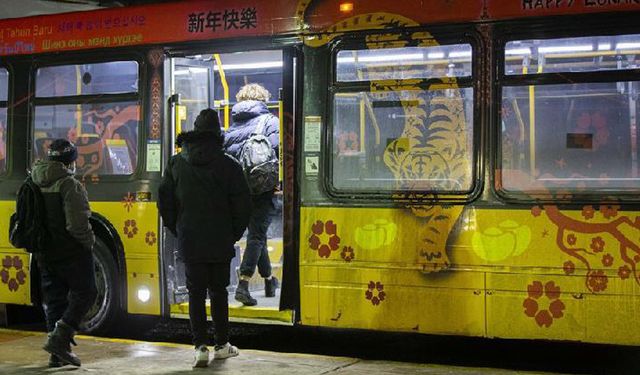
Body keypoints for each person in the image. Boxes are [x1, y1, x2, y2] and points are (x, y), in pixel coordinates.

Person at [158, 108, 251, 368]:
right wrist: (232, 233)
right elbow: (243, 206)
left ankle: (199, 347)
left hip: (190, 239)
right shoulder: (229, 165)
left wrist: (179, 228)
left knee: (195, 293)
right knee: (219, 292)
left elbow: (164, 201)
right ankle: (222, 345)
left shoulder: (177, 164)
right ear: (217, 134)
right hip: (220, 240)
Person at [32, 139, 97, 368]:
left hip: (45, 252)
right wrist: (89, 242)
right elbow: (76, 225)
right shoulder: (69, 184)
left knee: (55, 299)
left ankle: (56, 355)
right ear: (71, 161)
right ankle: (61, 337)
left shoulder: (34, 181)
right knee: (87, 292)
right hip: (70, 251)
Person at [223, 83, 280, 306]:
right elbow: (275, 151)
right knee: (256, 235)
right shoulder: (270, 121)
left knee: (259, 234)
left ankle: (268, 280)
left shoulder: (232, 126)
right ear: (263, 100)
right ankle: (243, 284)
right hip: (261, 188)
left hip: (237, 189)